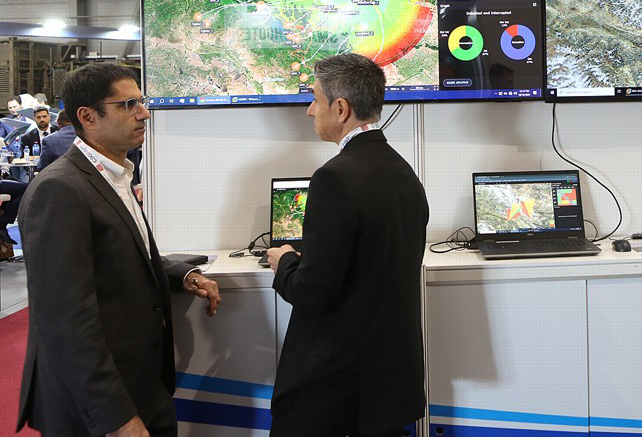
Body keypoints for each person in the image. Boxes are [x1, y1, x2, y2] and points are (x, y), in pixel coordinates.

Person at [17, 62, 222, 437]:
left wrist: (182, 274)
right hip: (98, 406)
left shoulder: (116, 174)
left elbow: (119, 253)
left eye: (141, 102)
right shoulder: (60, 190)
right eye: (128, 105)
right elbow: (65, 318)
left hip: (141, 383)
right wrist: (116, 417)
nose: (143, 114)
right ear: (88, 117)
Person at [266, 53, 429, 437]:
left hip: (335, 385)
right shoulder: (403, 171)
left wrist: (284, 262)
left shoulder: (334, 178)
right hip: (388, 378)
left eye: (314, 99)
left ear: (340, 109)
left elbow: (313, 292)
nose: (310, 110)